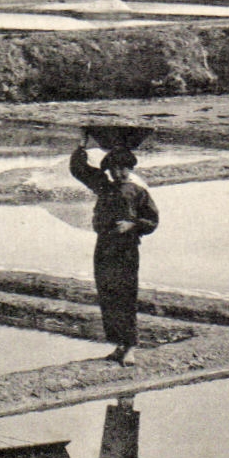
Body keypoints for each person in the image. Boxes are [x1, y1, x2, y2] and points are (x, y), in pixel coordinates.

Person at [69, 140, 159, 365]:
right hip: (104, 247)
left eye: (123, 168)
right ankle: (119, 344)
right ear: (108, 171)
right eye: (114, 169)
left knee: (125, 295)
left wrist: (133, 225)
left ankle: (130, 346)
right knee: (107, 294)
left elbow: (152, 220)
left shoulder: (138, 192)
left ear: (131, 169)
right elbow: (78, 170)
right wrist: (82, 146)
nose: (118, 173)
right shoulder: (103, 186)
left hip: (126, 249)